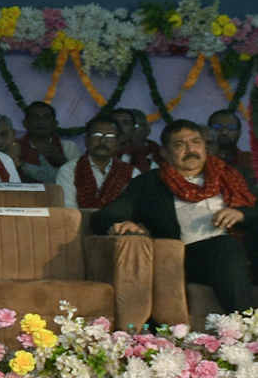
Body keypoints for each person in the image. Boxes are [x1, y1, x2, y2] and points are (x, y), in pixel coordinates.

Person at [89, 117, 255, 312]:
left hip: (246, 252)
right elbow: (102, 217)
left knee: (234, 246)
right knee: (225, 246)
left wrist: (241, 214)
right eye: (179, 144)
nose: (190, 149)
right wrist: (121, 223)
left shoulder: (234, 175)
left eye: (196, 142)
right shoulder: (149, 184)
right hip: (188, 259)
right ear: (165, 153)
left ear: (205, 147)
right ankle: (248, 329)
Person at [60, 115, 137, 214]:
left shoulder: (132, 172)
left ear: (118, 143)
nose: (103, 141)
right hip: (78, 227)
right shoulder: (68, 170)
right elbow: (69, 210)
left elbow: (133, 210)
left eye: (110, 137)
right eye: (97, 135)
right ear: (86, 140)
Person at [14, 101, 74, 182]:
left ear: (55, 124)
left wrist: (60, 158)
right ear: (25, 123)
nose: (41, 122)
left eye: (46, 117)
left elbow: (79, 178)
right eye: (35, 117)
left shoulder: (69, 146)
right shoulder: (14, 147)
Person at [206, 107, 256, 188]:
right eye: (218, 127)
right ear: (208, 131)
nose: (224, 132)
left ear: (239, 133)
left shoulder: (250, 160)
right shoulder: (200, 160)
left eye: (231, 128)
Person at [114, 107, 161, 173]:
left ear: (147, 129)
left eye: (135, 125)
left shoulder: (159, 154)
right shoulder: (107, 153)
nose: (123, 128)